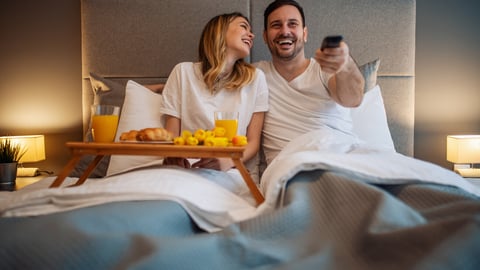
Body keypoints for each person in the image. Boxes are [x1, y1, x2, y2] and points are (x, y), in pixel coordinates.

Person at [256, 0, 365, 164]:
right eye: (276, 25)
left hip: (343, 157)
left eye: (292, 24)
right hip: (290, 168)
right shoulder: (256, 75)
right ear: (265, 36)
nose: (285, 31)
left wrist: (345, 65)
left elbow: (353, 100)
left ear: (304, 34)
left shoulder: (325, 69)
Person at [159, 12, 269, 173]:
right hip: (187, 169)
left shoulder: (256, 79)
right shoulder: (182, 72)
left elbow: (253, 142)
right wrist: (172, 155)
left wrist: (228, 161)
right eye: (243, 26)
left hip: (231, 169)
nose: (251, 35)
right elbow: (171, 135)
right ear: (220, 31)